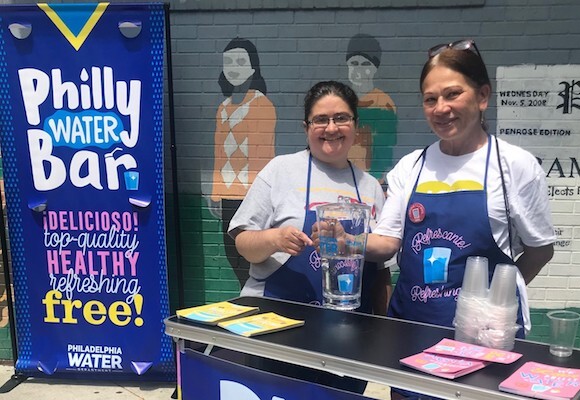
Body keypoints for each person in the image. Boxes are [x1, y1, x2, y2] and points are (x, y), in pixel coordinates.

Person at [365, 40, 555, 399]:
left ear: (482, 96)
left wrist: (495, 299)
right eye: (430, 99)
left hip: (484, 341)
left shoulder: (514, 166)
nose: (441, 108)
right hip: (413, 332)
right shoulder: (412, 166)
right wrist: (347, 241)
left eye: (453, 94)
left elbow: (539, 250)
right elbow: (388, 241)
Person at [228, 80, 391, 394]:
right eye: (321, 120)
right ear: (307, 127)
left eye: (341, 118)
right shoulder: (280, 171)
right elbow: (243, 243)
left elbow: (382, 270)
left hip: (348, 336)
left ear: (355, 126)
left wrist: (384, 331)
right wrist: (274, 239)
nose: (331, 128)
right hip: (277, 331)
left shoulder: (370, 187)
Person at [210, 38, 277, 289]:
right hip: (228, 193)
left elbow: (264, 156)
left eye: (240, 61)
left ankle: (254, 296)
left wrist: (261, 196)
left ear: (253, 68)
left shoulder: (262, 105)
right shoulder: (223, 108)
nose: (234, 67)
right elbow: (219, 152)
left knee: (248, 253)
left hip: (251, 195)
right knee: (232, 252)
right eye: (228, 62)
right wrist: (216, 193)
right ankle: (246, 293)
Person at [346, 33, 397, 182]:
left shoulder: (382, 104)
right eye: (354, 64)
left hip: (367, 181)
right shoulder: (340, 100)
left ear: (375, 68)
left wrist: (374, 183)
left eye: (366, 65)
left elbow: (383, 152)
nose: (359, 70)